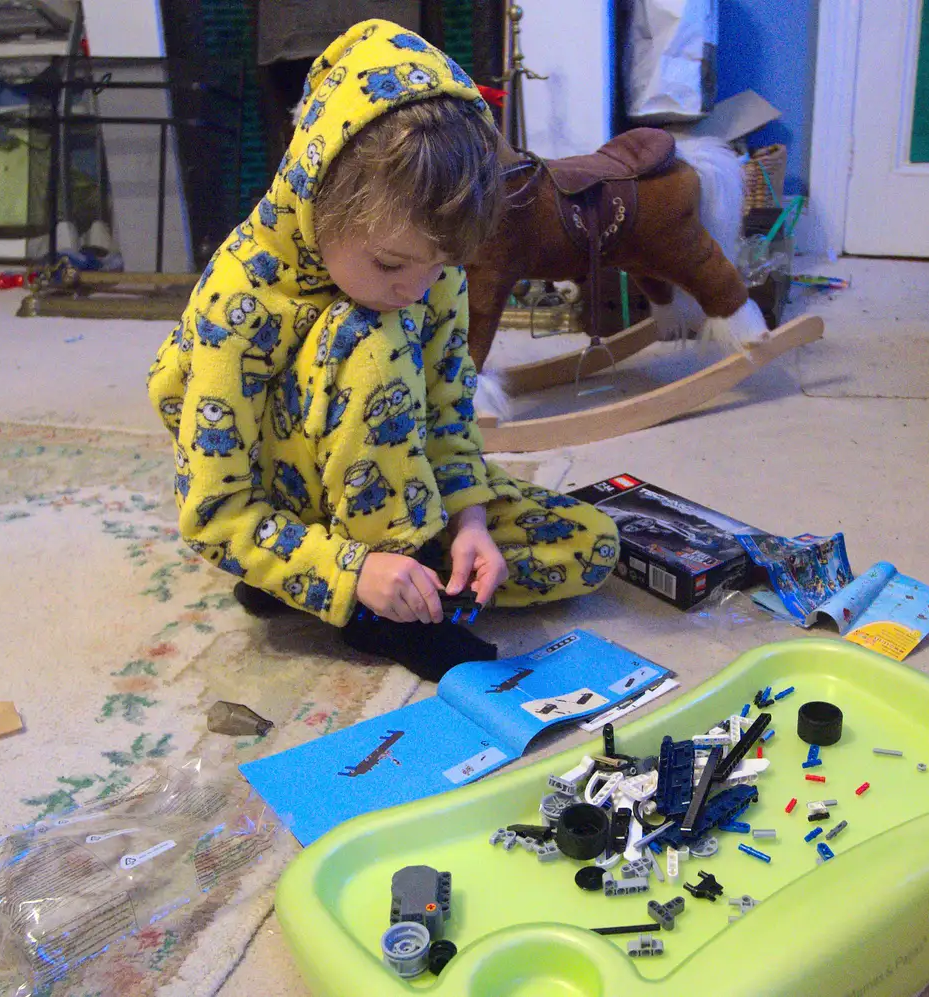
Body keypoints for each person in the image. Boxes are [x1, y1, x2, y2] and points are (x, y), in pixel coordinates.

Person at [147, 19, 618, 679]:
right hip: (291, 500)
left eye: (440, 266)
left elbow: (448, 415)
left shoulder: (433, 275)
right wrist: (354, 570)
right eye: (393, 263)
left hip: (397, 477)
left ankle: (323, 579)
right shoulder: (241, 301)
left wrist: (472, 519)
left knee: (589, 546)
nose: (415, 288)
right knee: (370, 333)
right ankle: (374, 602)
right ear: (322, 198)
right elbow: (213, 513)